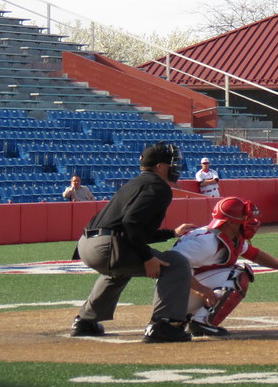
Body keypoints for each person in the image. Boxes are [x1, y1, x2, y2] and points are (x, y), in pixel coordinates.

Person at [71, 142, 198, 343]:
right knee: (175, 263)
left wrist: (172, 233)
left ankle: (85, 321)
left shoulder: (135, 183)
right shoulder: (158, 186)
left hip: (86, 245)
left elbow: (135, 230)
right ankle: (164, 325)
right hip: (109, 245)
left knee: (120, 269)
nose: (175, 168)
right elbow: (131, 224)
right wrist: (147, 257)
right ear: (160, 167)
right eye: (171, 164)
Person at [171, 196, 278, 337]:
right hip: (171, 295)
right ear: (230, 222)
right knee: (238, 275)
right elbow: (173, 264)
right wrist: (201, 289)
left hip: (181, 291)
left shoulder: (228, 236)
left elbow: (253, 254)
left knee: (235, 272)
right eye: (244, 218)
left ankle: (187, 317)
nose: (249, 222)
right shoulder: (206, 242)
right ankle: (201, 321)